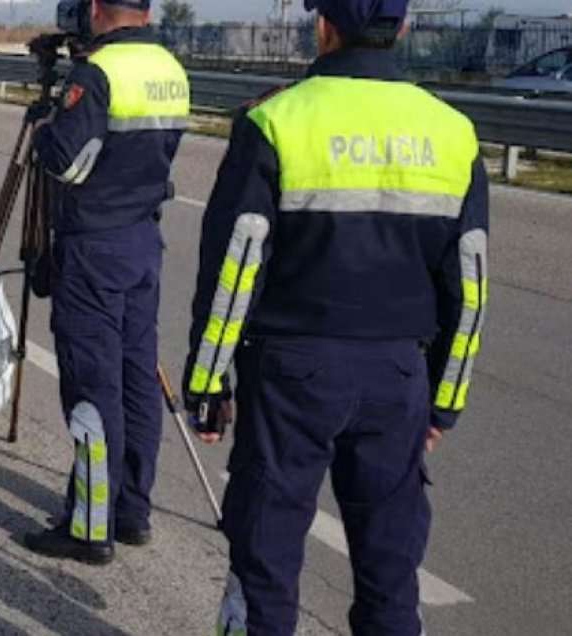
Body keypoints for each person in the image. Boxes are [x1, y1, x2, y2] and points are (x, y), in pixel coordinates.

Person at [182, 0, 489, 633]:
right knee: (390, 572)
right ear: (402, 28)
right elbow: (471, 286)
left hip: (291, 373)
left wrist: (208, 381)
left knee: (265, 562)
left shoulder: (275, 121)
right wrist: (443, 403)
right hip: (398, 377)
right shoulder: (453, 132)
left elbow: (236, 267)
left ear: (322, 26)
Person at [25, 0, 190, 565]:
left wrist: (48, 125)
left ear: (96, 8)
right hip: (143, 239)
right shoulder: (171, 68)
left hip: (94, 244)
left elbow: (66, 162)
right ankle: (131, 510)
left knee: (93, 390)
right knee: (136, 378)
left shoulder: (98, 73)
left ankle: (88, 527)